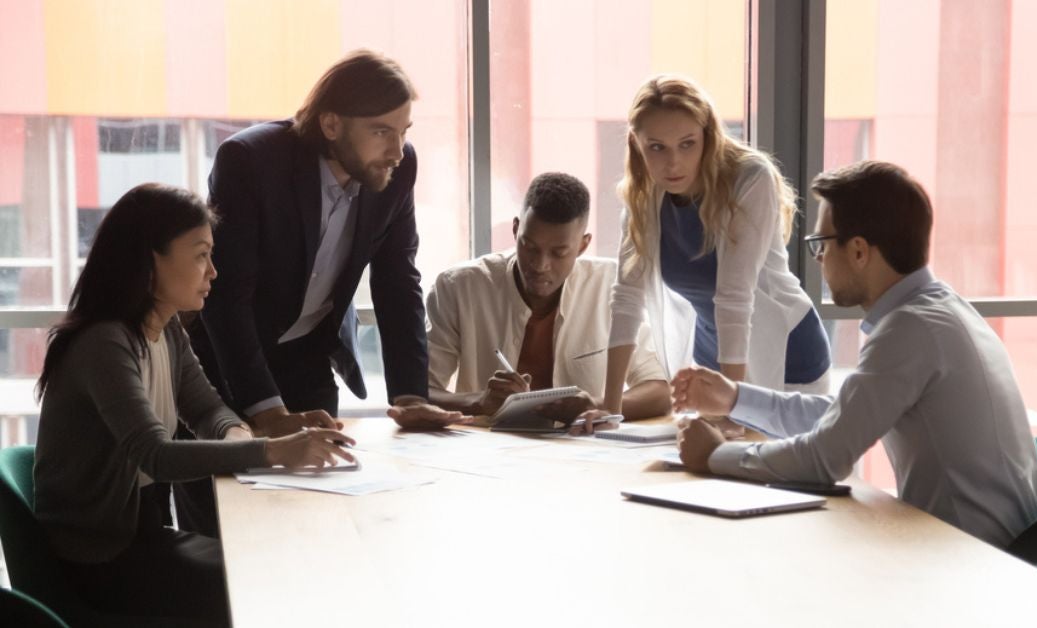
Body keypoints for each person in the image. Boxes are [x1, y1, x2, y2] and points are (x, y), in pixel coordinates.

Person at [672, 161, 1037, 548]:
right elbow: (843, 419)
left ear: (857, 251)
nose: (818, 258)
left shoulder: (911, 330)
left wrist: (718, 455)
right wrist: (735, 399)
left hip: (968, 561)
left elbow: (824, 459)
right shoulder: (939, 308)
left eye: (821, 245)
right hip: (967, 551)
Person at [34, 184, 354, 627]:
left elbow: (208, 410)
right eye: (201, 254)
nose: (214, 271)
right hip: (99, 561)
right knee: (271, 581)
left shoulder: (166, 331)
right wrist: (272, 450)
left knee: (284, 565)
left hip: (141, 539)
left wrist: (238, 434)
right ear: (150, 261)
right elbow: (156, 454)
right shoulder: (105, 343)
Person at [190, 49, 463, 433]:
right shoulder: (251, 161)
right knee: (225, 490)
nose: (397, 152)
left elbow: (397, 280)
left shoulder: (397, 170)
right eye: (382, 131)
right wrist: (267, 413)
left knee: (325, 484)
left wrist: (411, 396)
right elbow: (227, 295)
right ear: (331, 125)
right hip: (226, 366)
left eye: (404, 132)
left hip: (308, 358)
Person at [604, 75, 831, 425]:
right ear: (636, 144)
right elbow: (627, 298)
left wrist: (734, 407)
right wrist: (610, 406)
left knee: (775, 470)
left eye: (686, 144)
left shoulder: (750, 177)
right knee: (706, 471)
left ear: (707, 137)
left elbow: (734, 297)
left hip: (785, 352)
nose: (673, 163)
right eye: (657, 147)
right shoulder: (644, 194)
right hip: (715, 359)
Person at [426, 173, 669, 424]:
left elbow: (661, 389)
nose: (540, 265)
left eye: (559, 253)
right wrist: (478, 402)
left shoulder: (611, 289)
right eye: (529, 246)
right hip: (487, 452)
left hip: (580, 451)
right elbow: (418, 391)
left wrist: (597, 405)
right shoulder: (458, 287)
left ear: (583, 246)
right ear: (515, 229)